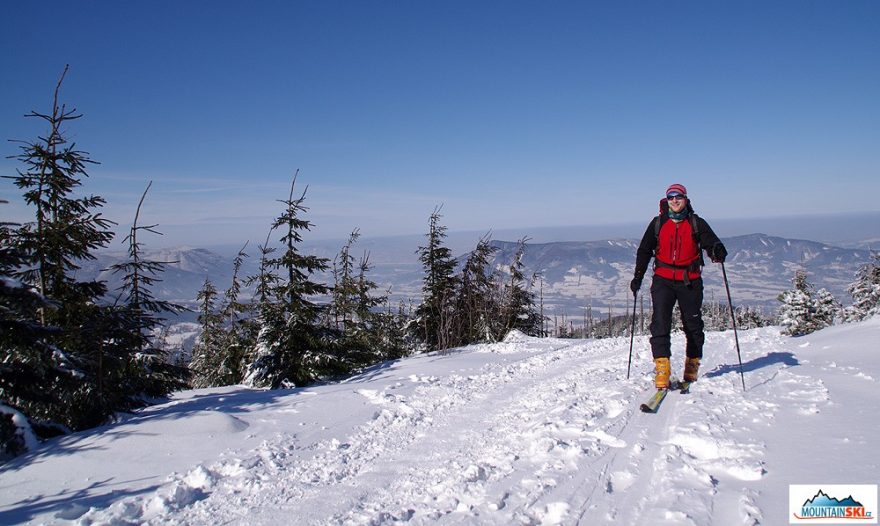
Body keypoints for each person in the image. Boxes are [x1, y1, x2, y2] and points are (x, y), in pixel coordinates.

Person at [630, 183, 727, 389]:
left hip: (690, 280)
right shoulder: (658, 223)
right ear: (667, 200)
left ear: (685, 199)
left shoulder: (696, 223)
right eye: (671, 196)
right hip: (663, 279)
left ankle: (692, 366)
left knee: (693, 325)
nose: (675, 200)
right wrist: (638, 276)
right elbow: (645, 250)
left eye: (679, 196)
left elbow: (711, 243)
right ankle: (662, 369)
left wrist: (717, 250)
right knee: (660, 323)